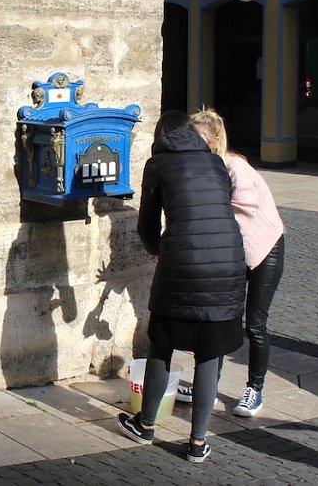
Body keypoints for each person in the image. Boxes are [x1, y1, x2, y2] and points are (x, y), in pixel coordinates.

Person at [117, 111, 247, 463]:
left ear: (161, 136)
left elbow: (147, 224)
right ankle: (198, 442)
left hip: (184, 264)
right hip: (227, 264)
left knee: (162, 345)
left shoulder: (158, 165)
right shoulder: (215, 162)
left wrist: (158, 251)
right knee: (209, 355)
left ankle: (145, 426)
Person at [175, 108, 285, 418]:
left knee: (256, 324)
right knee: (219, 317)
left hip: (265, 249)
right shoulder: (203, 167)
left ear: (215, 139)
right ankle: (206, 386)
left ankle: (255, 389)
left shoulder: (235, 166)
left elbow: (247, 204)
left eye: (195, 138)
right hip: (232, 251)